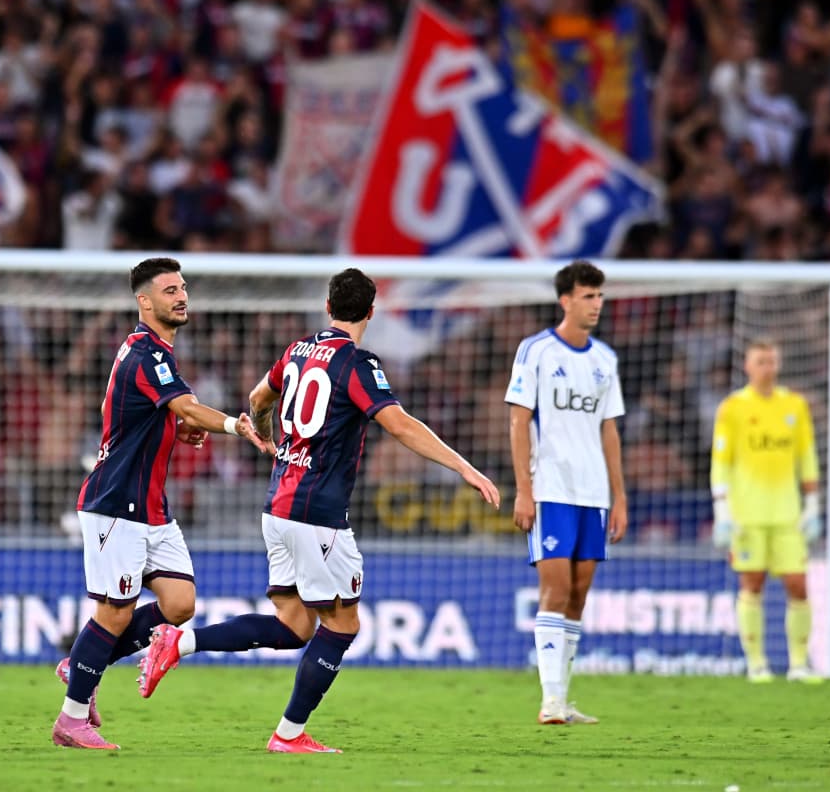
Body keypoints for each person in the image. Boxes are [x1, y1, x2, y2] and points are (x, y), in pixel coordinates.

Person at [135, 267, 501, 753]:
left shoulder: (296, 351)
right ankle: (288, 735)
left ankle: (177, 643)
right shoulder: (358, 364)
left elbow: (257, 397)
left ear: (328, 307)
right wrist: (464, 467)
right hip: (318, 514)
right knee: (343, 624)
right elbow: (400, 425)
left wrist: (266, 434)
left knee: (294, 627)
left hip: (278, 506)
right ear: (371, 312)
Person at [51, 257, 271, 750]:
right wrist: (237, 425)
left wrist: (178, 428)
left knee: (179, 604)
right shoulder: (145, 352)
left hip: (151, 507)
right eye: (170, 289)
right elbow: (186, 405)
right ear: (144, 302)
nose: (181, 295)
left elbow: (159, 415)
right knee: (113, 614)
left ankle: (82, 663)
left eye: (183, 286)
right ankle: (71, 720)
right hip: (115, 503)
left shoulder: (160, 356)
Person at [505, 260, 628, 726]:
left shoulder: (604, 361)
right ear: (565, 300)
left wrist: (620, 497)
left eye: (600, 296)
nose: (596, 304)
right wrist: (524, 490)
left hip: (593, 494)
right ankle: (550, 700)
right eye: (588, 296)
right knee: (554, 590)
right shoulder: (535, 351)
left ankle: (562, 696)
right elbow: (518, 421)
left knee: (578, 594)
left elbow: (609, 431)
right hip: (551, 489)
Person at [710, 338, 822, 684]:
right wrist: (722, 513)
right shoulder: (733, 408)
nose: (767, 368)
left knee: (798, 584)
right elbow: (721, 462)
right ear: (747, 366)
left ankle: (799, 664)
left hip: (788, 514)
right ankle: (756, 664)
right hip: (747, 516)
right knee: (752, 583)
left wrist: (813, 506)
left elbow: (806, 456)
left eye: (772, 361)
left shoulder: (795, 405)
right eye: (761, 362)